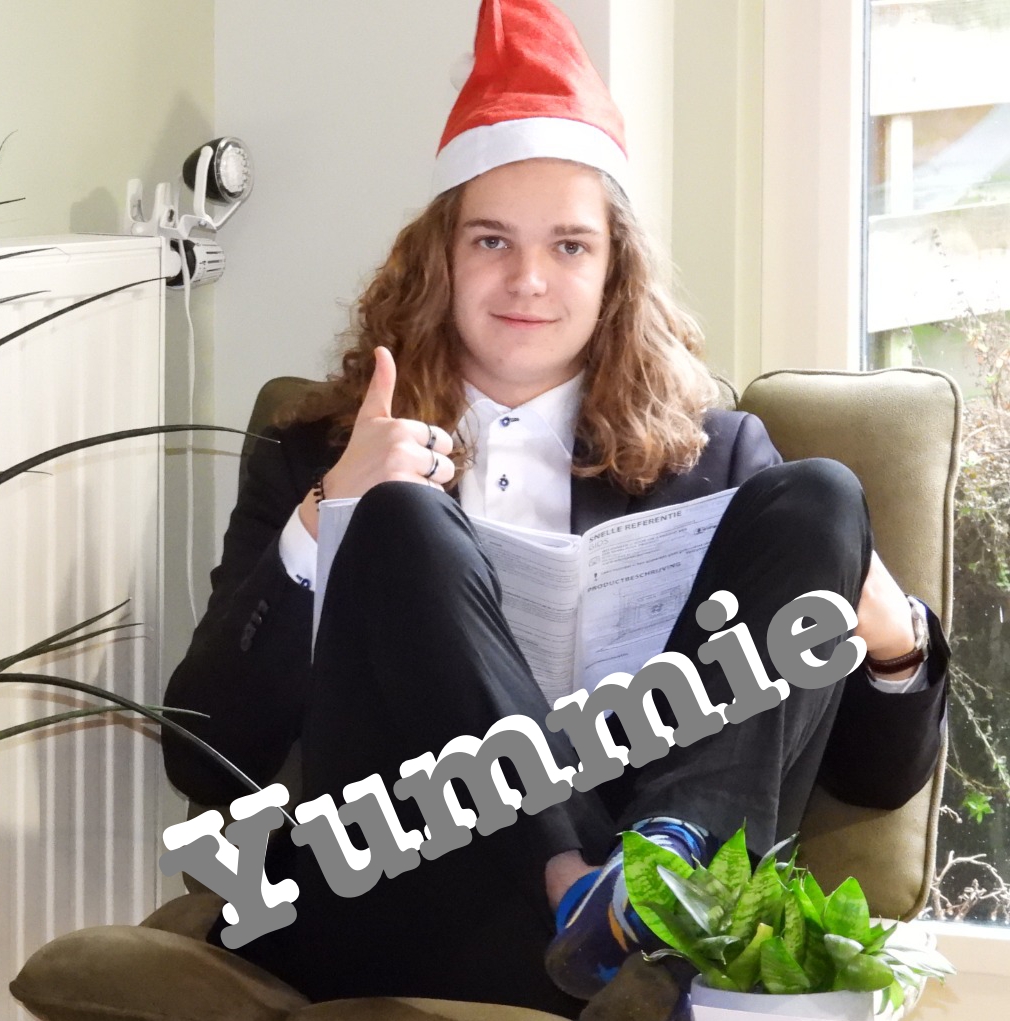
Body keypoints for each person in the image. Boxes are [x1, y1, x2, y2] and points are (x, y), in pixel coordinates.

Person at [162, 1, 949, 1017]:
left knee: (821, 492)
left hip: (636, 911)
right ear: (439, 259)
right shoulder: (318, 451)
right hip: (405, 894)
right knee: (402, 520)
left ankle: (659, 871)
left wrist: (891, 636)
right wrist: (326, 516)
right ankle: (583, 891)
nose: (529, 279)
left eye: (570, 246)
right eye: (491, 239)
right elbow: (203, 752)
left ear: (614, 271)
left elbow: (876, 781)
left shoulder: (720, 459)